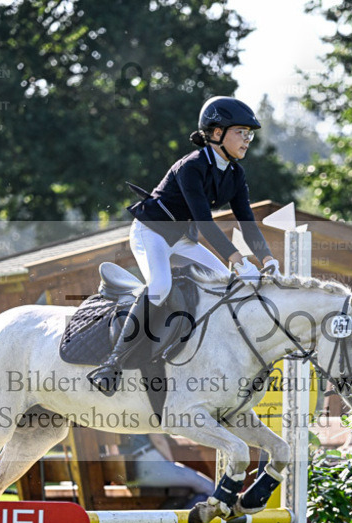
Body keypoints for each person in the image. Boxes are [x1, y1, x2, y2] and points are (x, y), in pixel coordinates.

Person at [88, 96, 280, 395]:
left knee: (227, 284)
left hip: (180, 238)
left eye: (249, 133)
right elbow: (205, 223)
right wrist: (240, 259)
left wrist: (267, 258)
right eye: (240, 131)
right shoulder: (192, 166)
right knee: (160, 287)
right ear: (216, 133)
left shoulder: (235, 174)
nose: (247, 139)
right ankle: (111, 364)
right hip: (151, 232)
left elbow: (247, 221)